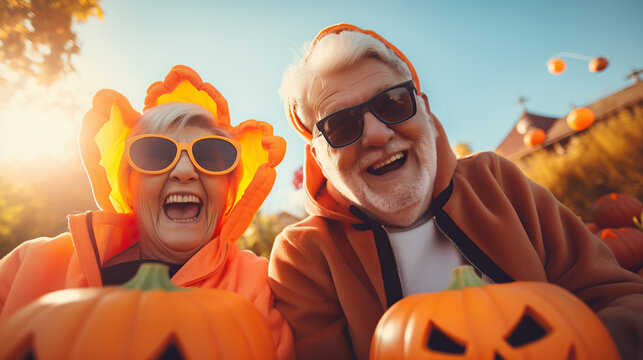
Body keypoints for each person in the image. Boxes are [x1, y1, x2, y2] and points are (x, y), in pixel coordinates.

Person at [268, 23, 643, 360]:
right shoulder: (304, 256)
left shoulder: (496, 181)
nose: (377, 134)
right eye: (341, 125)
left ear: (426, 113)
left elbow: (618, 296)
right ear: (319, 155)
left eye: (392, 103)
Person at [0, 65, 295, 359]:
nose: (183, 171)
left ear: (229, 192)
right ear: (128, 186)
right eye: (154, 154)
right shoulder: (28, 266)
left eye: (210, 156)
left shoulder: (257, 286)